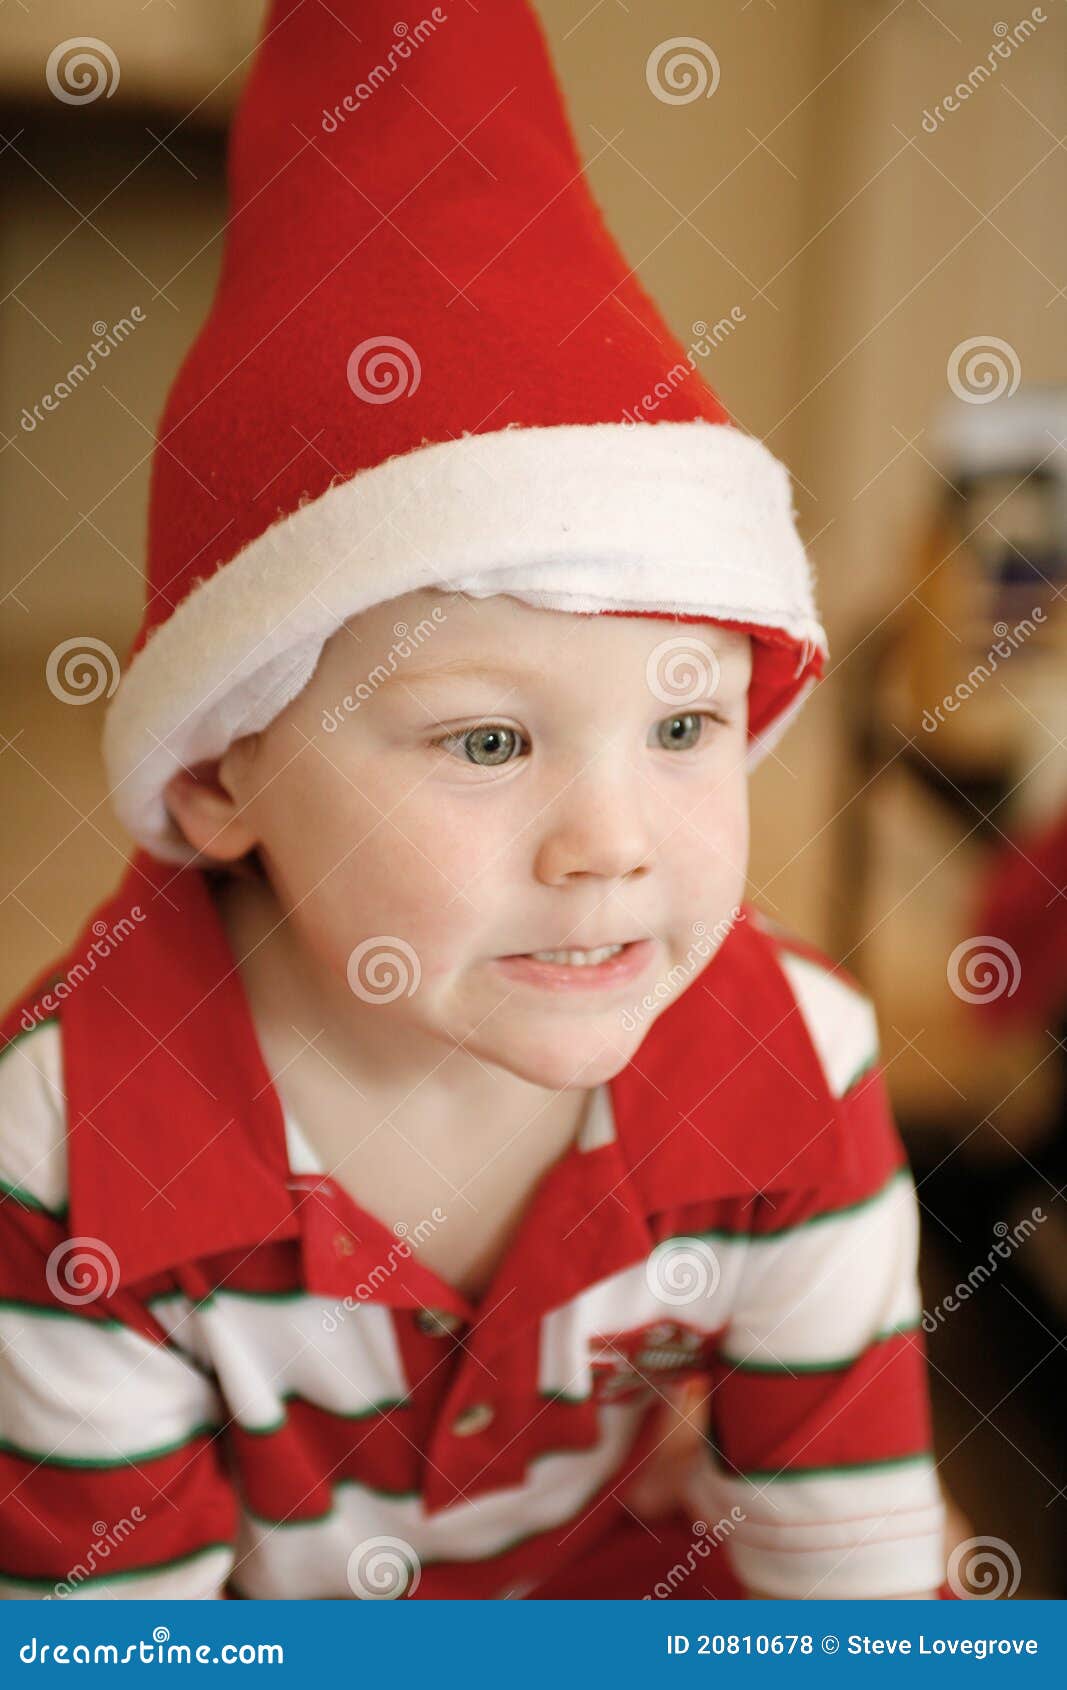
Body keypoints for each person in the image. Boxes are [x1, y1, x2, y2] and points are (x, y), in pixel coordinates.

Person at [0, 0, 949, 1600]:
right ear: (229, 768)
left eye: (684, 725)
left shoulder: (797, 1063)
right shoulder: (77, 1140)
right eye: (490, 743)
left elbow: (848, 1598)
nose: (614, 845)